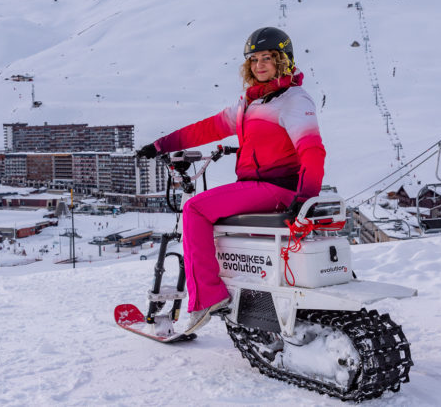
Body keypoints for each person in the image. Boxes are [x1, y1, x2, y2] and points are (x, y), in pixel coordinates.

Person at [137, 27, 325, 333]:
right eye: (254, 59)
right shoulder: (250, 103)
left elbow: (313, 151)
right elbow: (207, 129)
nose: (260, 64)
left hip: (278, 188)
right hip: (254, 186)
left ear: (284, 62)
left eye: (269, 57)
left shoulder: (293, 99)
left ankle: (207, 297)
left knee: (195, 209)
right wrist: (160, 145)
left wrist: (304, 200)